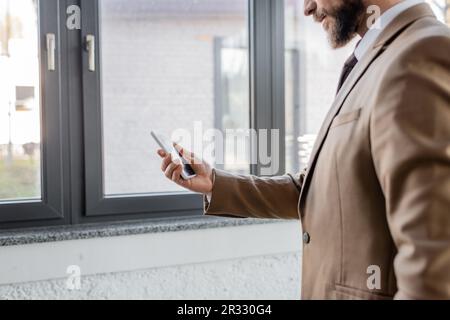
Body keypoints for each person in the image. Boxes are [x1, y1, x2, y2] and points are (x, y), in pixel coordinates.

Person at [157, 0, 450, 299]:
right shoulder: (376, 57)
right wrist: (215, 183)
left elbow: (433, 262)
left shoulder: (421, 52)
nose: (308, 8)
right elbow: (314, 189)